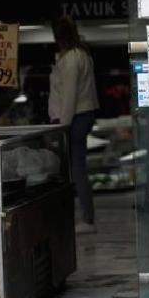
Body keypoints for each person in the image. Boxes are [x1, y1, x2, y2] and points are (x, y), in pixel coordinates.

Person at [48, 16, 99, 235]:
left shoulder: (70, 59)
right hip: (84, 114)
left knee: (76, 167)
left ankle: (87, 219)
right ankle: (85, 217)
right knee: (77, 166)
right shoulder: (83, 54)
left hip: (75, 116)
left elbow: (69, 95)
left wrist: (63, 126)